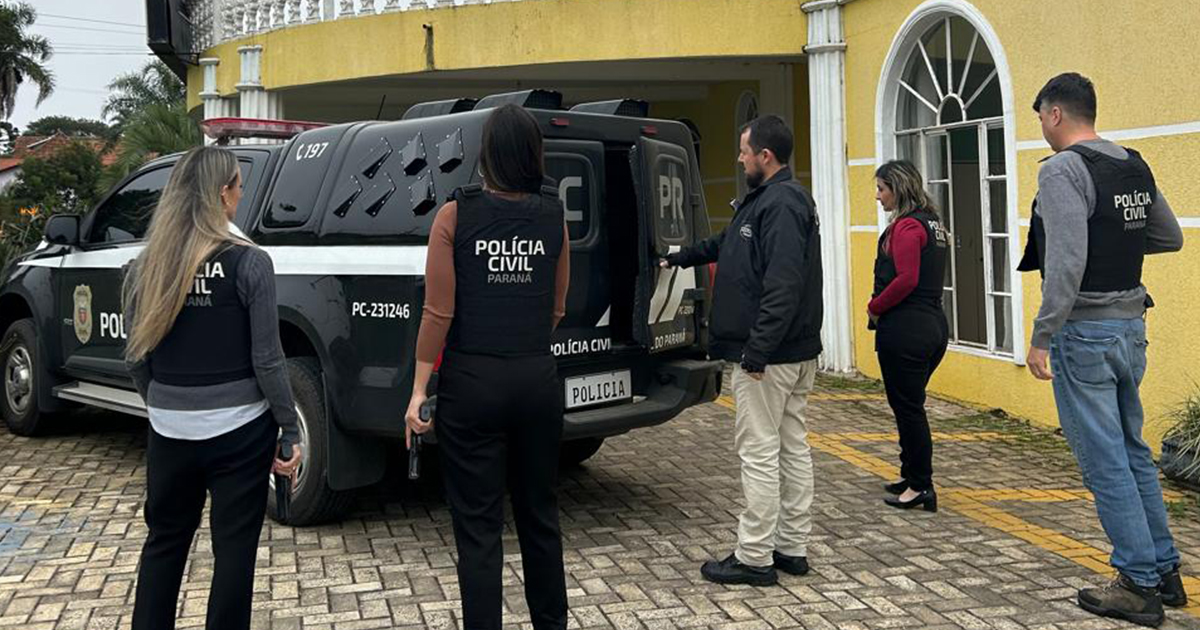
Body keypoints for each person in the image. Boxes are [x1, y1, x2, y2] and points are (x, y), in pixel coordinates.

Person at [1019, 72, 1185, 628]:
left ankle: (1137, 584)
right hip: (1131, 329)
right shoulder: (1131, 162)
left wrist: (1042, 336)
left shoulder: (1065, 170)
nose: (1041, 126)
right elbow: (1168, 236)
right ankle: (1164, 571)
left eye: (1040, 116)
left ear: (1055, 115)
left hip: (1085, 334)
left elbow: (1064, 263)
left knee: (1106, 462)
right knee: (1134, 454)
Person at [404, 104, 571, 629]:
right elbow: (557, 307)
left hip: (472, 386)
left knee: (478, 530)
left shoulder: (455, 216)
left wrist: (417, 393)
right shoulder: (553, 214)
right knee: (540, 518)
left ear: (487, 154)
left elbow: (438, 313)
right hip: (536, 379)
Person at [122, 146, 302, 630]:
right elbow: (268, 358)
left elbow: (137, 357)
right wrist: (289, 427)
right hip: (239, 433)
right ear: (222, 195)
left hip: (169, 431)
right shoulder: (250, 263)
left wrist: (162, 403)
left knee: (164, 543)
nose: (242, 195)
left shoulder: (147, 266)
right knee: (234, 552)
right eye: (239, 186)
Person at [662, 114, 822, 586]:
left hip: (771, 357)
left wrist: (757, 350)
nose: (739, 158)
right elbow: (728, 244)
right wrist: (677, 257)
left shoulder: (782, 204)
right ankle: (790, 547)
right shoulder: (767, 201)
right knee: (791, 446)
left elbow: (784, 284)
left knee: (760, 451)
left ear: (764, 156)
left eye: (744, 151)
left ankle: (754, 556)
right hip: (786, 353)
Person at [867, 160, 949, 513]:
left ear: (897, 189)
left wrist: (875, 306)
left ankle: (920, 485)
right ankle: (910, 473)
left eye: (882, 189)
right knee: (907, 406)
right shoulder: (934, 224)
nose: (878, 196)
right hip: (933, 325)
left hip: (906, 329)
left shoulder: (906, 228)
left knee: (909, 409)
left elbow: (906, 279)